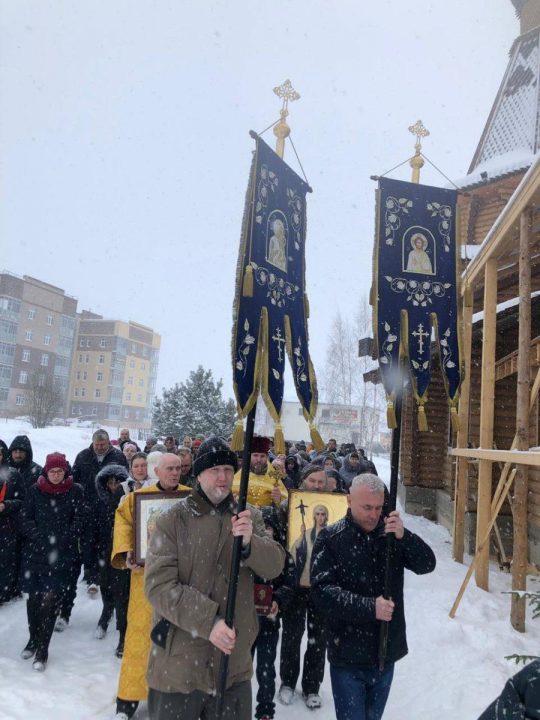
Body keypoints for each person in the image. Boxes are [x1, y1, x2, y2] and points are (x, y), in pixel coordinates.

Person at [144, 436, 286, 720]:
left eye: (228, 470)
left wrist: (251, 544)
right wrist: (209, 622)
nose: (222, 477)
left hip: (233, 663)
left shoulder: (249, 517)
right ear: (198, 475)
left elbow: (275, 566)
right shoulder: (173, 520)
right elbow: (159, 586)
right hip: (180, 661)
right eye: (214, 470)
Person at [311, 474, 436, 720]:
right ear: (349, 500)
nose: (373, 514)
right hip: (347, 654)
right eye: (367, 507)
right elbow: (322, 593)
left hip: (385, 651)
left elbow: (427, 564)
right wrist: (369, 607)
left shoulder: (390, 536)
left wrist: (405, 536)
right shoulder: (331, 539)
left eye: (379, 508)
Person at [111, 453, 190, 720]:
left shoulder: (191, 498)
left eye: (178, 468)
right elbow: (123, 522)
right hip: (145, 577)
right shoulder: (137, 498)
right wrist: (128, 553)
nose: (175, 473)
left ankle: (173, 693)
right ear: (157, 471)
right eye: (169, 468)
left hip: (181, 579)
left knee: (179, 637)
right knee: (140, 636)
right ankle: (128, 698)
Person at [19, 452, 84, 671]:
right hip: (36, 553)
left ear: (65, 471)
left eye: (60, 471)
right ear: (46, 472)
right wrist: (39, 538)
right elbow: (25, 519)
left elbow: (79, 520)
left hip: (61, 555)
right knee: (33, 600)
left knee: (50, 601)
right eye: (52, 471)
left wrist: (63, 539)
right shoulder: (34, 490)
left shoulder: (75, 491)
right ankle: (33, 638)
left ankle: (43, 649)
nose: (56, 475)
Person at [278, 464, 329, 710]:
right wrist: (282, 508)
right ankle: (288, 682)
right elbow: (287, 545)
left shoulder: (336, 518)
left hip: (321, 587)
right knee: (292, 635)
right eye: (312, 481)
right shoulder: (291, 508)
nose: (317, 486)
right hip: (295, 585)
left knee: (318, 639)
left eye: (321, 482)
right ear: (303, 481)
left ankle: (311, 687)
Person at [253, 506, 296, 720]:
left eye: (270, 527)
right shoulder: (245, 552)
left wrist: (278, 600)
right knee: (239, 667)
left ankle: (265, 710)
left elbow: (290, 583)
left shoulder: (283, 555)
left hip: (269, 622)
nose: (267, 531)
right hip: (246, 621)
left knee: (266, 667)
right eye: (263, 527)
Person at [72, 429, 128, 591]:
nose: (100, 447)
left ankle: (103, 573)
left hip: (109, 506)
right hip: (88, 506)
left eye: (103, 444)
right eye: (97, 444)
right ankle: (89, 573)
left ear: (109, 442)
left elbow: (125, 479)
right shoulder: (83, 456)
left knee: (106, 541)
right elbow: (75, 479)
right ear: (93, 443)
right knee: (88, 541)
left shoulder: (118, 456)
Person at [95, 463, 130, 653]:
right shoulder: (99, 501)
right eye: (110, 482)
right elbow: (93, 528)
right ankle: (106, 612)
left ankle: (122, 630)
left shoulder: (127, 498)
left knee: (121, 591)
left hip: (121, 550)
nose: (114, 486)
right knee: (105, 584)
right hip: (104, 549)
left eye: (118, 482)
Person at [232, 436, 288, 507]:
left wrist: (278, 500)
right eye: (255, 455)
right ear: (249, 457)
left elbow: (287, 505)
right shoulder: (239, 476)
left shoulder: (275, 476)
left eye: (262, 456)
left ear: (267, 457)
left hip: (268, 514)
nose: (259, 459)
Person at [0, 462, 23, 603]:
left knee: (6, 561)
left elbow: (22, 501)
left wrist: (6, 505)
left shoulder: (13, 474)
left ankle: (4, 593)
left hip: (7, 526)